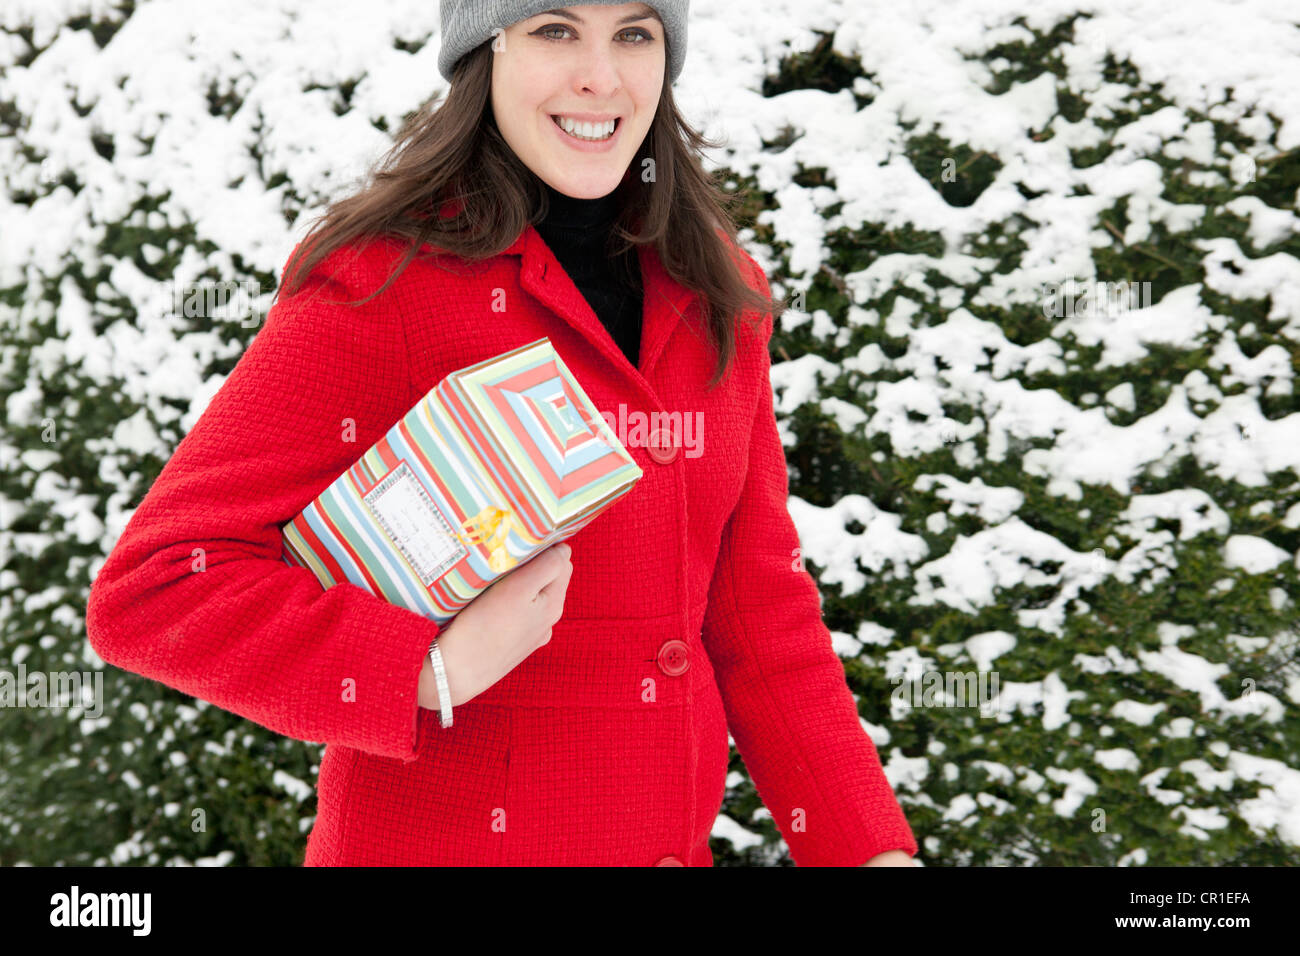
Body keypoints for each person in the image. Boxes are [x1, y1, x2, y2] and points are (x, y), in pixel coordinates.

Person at [85, 0, 919, 867]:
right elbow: (157, 588)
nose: (601, 74)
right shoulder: (385, 282)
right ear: (483, 53)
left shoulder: (719, 294)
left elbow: (760, 620)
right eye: (556, 29)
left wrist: (869, 851)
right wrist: (425, 668)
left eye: (634, 33)